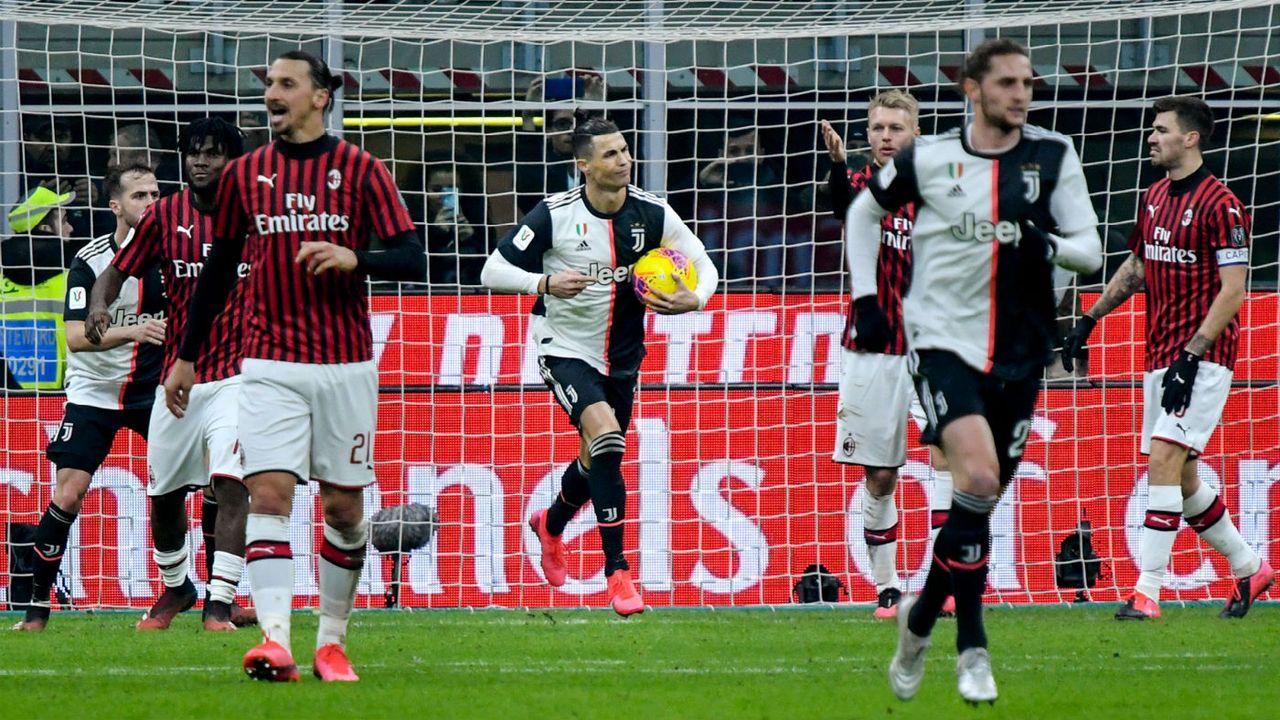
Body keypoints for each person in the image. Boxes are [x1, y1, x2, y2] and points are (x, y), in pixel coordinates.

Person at [845, 38, 1102, 703]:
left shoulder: (1052, 158)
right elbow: (862, 213)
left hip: (1021, 350)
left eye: (1029, 82)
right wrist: (867, 299)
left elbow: (1092, 253)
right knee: (977, 476)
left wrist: (1047, 243)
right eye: (1008, 82)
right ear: (971, 89)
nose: (1022, 93)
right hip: (941, 344)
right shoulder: (929, 159)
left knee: (975, 506)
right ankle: (972, 647)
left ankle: (920, 620)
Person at [164, 50, 425, 682]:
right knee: (269, 492)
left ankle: (331, 643)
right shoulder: (245, 174)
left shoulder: (360, 169)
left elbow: (415, 256)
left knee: (342, 509)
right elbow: (220, 270)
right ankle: (275, 643)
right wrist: (187, 357)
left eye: (286, 84)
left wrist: (354, 257)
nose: (272, 94)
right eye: (268, 85)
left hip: (345, 365)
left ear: (319, 97)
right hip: (269, 361)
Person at [482, 116, 718, 616]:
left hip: (623, 357)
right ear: (583, 165)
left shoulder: (652, 214)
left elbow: (703, 261)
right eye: (610, 154)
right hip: (562, 344)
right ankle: (618, 573)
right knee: (608, 438)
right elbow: (491, 269)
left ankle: (551, 524)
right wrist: (541, 285)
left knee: (597, 458)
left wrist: (693, 299)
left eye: (626, 150)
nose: (624, 160)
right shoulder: (554, 214)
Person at [1061, 95, 1274, 621]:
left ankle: (1146, 591)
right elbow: (1138, 264)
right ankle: (1251, 569)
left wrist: (1192, 355)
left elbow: (1233, 291)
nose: (1151, 138)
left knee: (1162, 459)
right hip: (1160, 352)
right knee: (1181, 478)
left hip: (1204, 354)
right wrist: (1091, 318)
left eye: (1160, 130)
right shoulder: (1155, 194)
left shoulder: (1222, 205)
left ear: (1191, 138)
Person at [86, 118, 256, 632]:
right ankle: (177, 587)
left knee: (231, 485)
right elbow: (116, 270)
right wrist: (99, 305)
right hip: (179, 379)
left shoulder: (255, 217)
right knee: (164, 495)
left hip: (239, 375)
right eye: (194, 153)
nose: (201, 161)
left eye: (213, 153)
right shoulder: (164, 216)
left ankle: (220, 602)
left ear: (234, 161)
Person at [11, 163, 165, 631]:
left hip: (152, 391)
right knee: (69, 492)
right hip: (94, 392)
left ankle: (218, 601)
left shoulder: (175, 255)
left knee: (202, 485)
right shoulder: (89, 261)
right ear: (114, 206)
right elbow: (76, 337)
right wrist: (133, 329)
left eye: (156, 194)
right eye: (140, 195)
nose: (151, 203)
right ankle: (37, 609)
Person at [821, 91, 954, 620]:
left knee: (946, 457)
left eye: (896, 127)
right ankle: (888, 588)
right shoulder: (860, 186)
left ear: (914, 133)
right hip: (872, 348)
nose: (885, 135)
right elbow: (841, 209)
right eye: (877, 127)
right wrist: (835, 165)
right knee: (880, 476)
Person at [1, 186, 76, 389]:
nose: (71, 228)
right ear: (45, 228)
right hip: (59, 399)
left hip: (6, 397)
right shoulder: (73, 278)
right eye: (63, 221)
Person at [695, 122, 787, 286]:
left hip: (770, 285)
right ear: (721, 155)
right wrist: (700, 184)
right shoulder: (703, 192)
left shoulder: (781, 192)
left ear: (762, 154)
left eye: (750, 151)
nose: (742, 158)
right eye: (734, 152)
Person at [515, 73, 604, 217]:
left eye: (578, 124)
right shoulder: (541, 169)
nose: (571, 131)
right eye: (562, 124)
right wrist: (528, 116)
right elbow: (528, 197)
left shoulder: (596, 167)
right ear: (548, 131)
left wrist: (598, 111)